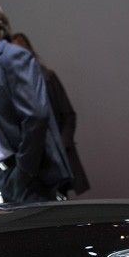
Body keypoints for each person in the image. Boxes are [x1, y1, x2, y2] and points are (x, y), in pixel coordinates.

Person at [0, 0, 71, 203]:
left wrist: (24, 170)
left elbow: (35, 116)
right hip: (11, 174)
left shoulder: (13, 56)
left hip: (31, 177)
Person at [11, 33, 90, 196]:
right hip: (31, 163)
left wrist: (61, 145)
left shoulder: (48, 78)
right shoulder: (10, 86)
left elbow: (68, 115)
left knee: (60, 202)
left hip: (55, 158)